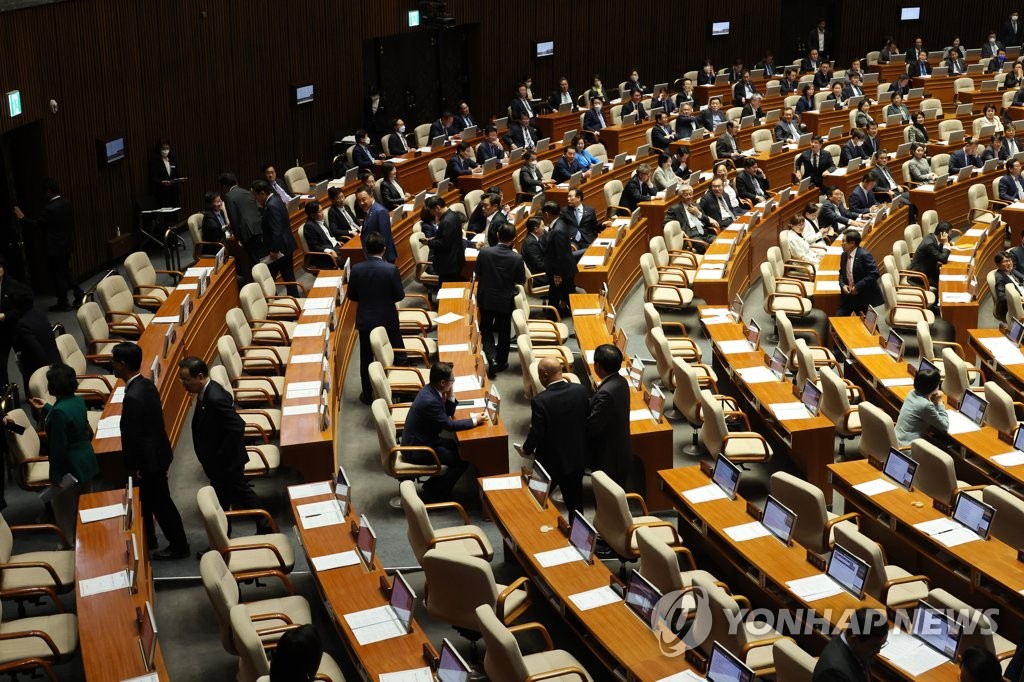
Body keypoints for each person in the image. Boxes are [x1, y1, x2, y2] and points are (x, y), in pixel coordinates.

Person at [112, 342, 189, 560]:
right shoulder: (145, 385)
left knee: (161, 504)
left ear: (123, 364)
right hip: (158, 452)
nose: (113, 366)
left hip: (149, 461)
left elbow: (134, 436)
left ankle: (179, 546)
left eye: (114, 362)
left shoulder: (133, 397)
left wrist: (135, 466)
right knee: (149, 500)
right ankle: (150, 538)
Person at [178, 356, 266, 527]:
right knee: (223, 499)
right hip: (219, 463)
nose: (183, 384)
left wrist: (221, 456)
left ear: (200, 376)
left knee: (241, 493)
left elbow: (237, 426)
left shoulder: (214, 397)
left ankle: (265, 524)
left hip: (226, 463)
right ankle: (225, 535)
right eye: (181, 380)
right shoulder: (205, 392)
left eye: (186, 380)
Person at [25, 363, 97, 540]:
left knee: (65, 513)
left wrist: (55, 478)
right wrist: (47, 408)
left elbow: (58, 449)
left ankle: (70, 546)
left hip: (69, 469)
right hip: (86, 461)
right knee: (85, 507)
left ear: (54, 387)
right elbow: (70, 419)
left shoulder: (59, 413)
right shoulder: (78, 401)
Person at [401, 362, 483, 502]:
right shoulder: (430, 400)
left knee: (456, 446)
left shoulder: (431, 390)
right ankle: (435, 493)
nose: (453, 383)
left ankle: (432, 486)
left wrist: (450, 395)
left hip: (426, 439)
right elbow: (448, 425)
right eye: (452, 381)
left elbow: (447, 414)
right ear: (443, 382)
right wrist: (474, 421)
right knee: (461, 461)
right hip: (418, 449)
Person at [522, 356, 591, 515]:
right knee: (576, 508)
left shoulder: (540, 401)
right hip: (576, 460)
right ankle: (578, 539)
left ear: (545, 376)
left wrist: (526, 449)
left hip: (549, 464)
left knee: (535, 500)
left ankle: (534, 535)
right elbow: (587, 420)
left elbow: (537, 432)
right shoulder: (580, 391)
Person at [347, 232, 404, 404]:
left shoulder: (356, 269)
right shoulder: (391, 269)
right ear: (384, 249)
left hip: (365, 320)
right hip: (388, 319)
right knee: (399, 354)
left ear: (365, 249)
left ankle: (367, 394)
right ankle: (403, 388)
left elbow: (352, 296)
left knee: (366, 359)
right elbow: (399, 296)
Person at [12, 178, 83, 312]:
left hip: (55, 248)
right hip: (67, 244)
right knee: (66, 271)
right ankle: (78, 293)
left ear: (49, 192)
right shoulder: (67, 203)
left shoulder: (49, 208)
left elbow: (36, 225)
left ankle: (63, 302)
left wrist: (22, 217)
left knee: (58, 275)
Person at [476, 223, 524, 378]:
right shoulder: (516, 258)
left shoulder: (484, 252)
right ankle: (502, 361)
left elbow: (478, 272)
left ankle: (490, 357)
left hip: (486, 298)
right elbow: (520, 280)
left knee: (486, 328)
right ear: (513, 239)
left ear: (497, 235)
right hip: (505, 300)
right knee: (504, 331)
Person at [588, 344, 631, 487]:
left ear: (597, 366)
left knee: (606, 498)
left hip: (608, 457)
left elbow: (593, 427)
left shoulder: (605, 393)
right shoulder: (621, 381)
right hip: (620, 449)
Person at [251, 179, 299, 297]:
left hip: (279, 250)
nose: (255, 199)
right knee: (288, 276)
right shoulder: (276, 199)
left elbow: (276, 231)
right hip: (286, 246)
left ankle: (272, 303)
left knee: (269, 278)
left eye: (255, 195)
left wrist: (274, 250)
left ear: (262, 193)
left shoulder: (271, 206)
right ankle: (295, 300)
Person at [812, 608, 888, 682]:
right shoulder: (834, 674)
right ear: (854, 639)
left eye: (881, 645)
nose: (878, 651)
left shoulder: (858, 651)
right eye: (874, 646)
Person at [0, 257, 32, 388]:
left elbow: (27, 303)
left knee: (25, 362)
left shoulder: (12, 284)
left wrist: (6, 315)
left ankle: (31, 391)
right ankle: (5, 396)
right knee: (1, 365)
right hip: (2, 332)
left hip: (16, 328)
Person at [219, 173, 266, 262]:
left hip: (247, 233)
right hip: (259, 227)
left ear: (224, 186)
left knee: (255, 260)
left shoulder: (229, 196)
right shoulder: (247, 192)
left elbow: (234, 218)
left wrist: (238, 238)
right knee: (262, 257)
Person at [894, 368, 948, 446]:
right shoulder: (926, 405)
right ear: (934, 387)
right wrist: (939, 403)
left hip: (897, 440)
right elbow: (944, 426)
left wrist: (931, 400)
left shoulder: (911, 393)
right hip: (907, 447)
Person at [12, 297, 58, 386]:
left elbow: (36, 350)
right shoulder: (38, 313)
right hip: (54, 361)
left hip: (40, 368)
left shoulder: (22, 324)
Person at [542, 201, 576, 315]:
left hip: (562, 272)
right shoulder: (560, 223)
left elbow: (560, 255)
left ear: (547, 214)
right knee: (558, 297)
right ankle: (553, 317)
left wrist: (557, 274)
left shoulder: (558, 230)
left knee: (568, 300)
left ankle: (553, 319)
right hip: (563, 270)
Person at [838, 229, 882, 316]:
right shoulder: (844, 255)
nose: (841, 244)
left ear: (852, 243)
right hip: (848, 297)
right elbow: (841, 274)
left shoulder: (864, 255)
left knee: (868, 325)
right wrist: (843, 285)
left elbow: (874, 273)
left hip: (863, 295)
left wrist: (857, 287)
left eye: (844, 241)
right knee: (839, 318)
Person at [425, 195, 466, 286]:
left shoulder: (447, 221)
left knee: (447, 290)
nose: (431, 214)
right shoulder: (453, 215)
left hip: (448, 264)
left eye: (431, 211)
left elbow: (444, 243)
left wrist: (429, 242)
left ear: (437, 207)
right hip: (454, 260)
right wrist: (435, 238)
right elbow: (449, 238)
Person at [666, 184, 717, 252]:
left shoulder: (696, 206)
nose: (689, 197)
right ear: (680, 197)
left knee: (718, 241)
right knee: (705, 246)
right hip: (691, 235)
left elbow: (706, 220)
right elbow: (666, 223)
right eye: (686, 195)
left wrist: (698, 213)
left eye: (690, 194)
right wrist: (679, 231)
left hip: (704, 233)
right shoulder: (675, 209)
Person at [356, 186, 397, 264]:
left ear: (371, 196)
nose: (361, 203)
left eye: (364, 199)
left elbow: (385, 237)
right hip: (376, 257)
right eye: (359, 201)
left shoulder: (380, 211)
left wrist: (382, 260)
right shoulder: (369, 210)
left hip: (383, 258)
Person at [149, 138, 183, 208]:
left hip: (174, 193)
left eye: (167, 148)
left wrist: (179, 180)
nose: (165, 151)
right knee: (167, 216)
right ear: (159, 149)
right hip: (163, 193)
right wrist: (161, 182)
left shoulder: (173, 159)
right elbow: (153, 178)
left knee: (175, 216)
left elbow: (176, 175)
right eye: (163, 149)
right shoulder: (155, 162)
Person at [995, 251, 1024, 320]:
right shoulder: (1000, 277)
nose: (1009, 263)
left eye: (1010, 260)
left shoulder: (1011, 270)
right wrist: (1018, 298)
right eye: (1005, 261)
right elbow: (1001, 296)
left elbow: (1022, 277)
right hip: (1015, 306)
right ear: (998, 264)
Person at [522, 217, 548, 286]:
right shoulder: (531, 243)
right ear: (536, 229)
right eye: (542, 226)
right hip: (537, 276)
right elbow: (539, 265)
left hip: (539, 271)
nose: (544, 228)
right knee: (563, 273)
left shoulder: (533, 238)